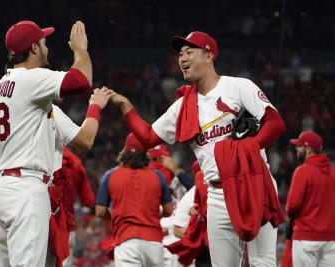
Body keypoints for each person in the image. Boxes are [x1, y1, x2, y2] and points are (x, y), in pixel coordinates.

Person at [109, 31, 285, 266]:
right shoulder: (183, 106)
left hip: (253, 181)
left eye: (189, 51)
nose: (182, 57)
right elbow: (148, 137)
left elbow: (275, 123)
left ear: (208, 56)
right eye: (180, 53)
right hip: (217, 193)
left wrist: (249, 148)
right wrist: (126, 105)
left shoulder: (238, 86)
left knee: (263, 262)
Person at [0, 20, 114, 267]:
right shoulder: (29, 80)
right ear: (33, 48)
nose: (47, 48)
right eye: (43, 43)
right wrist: (80, 50)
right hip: (25, 189)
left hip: (1, 188)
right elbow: (81, 81)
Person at [95, 133, 174, 267]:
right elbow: (168, 210)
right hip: (153, 243)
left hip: (126, 241)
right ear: (145, 153)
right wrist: (152, 216)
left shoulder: (110, 175)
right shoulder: (158, 176)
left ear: (125, 151)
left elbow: (100, 212)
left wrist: (118, 218)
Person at [286, 131, 335, 267]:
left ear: (308, 149)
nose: (297, 149)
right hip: (331, 239)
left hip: (306, 238)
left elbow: (292, 206)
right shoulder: (333, 172)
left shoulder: (303, 171)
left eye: (299, 146)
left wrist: (289, 210)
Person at [147, 145, 193, 267]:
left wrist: (174, 169)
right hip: (154, 239)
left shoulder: (179, 178)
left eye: (161, 159)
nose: (158, 163)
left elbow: (196, 189)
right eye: (154, 159)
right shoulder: (144, 181)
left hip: (177, 237)